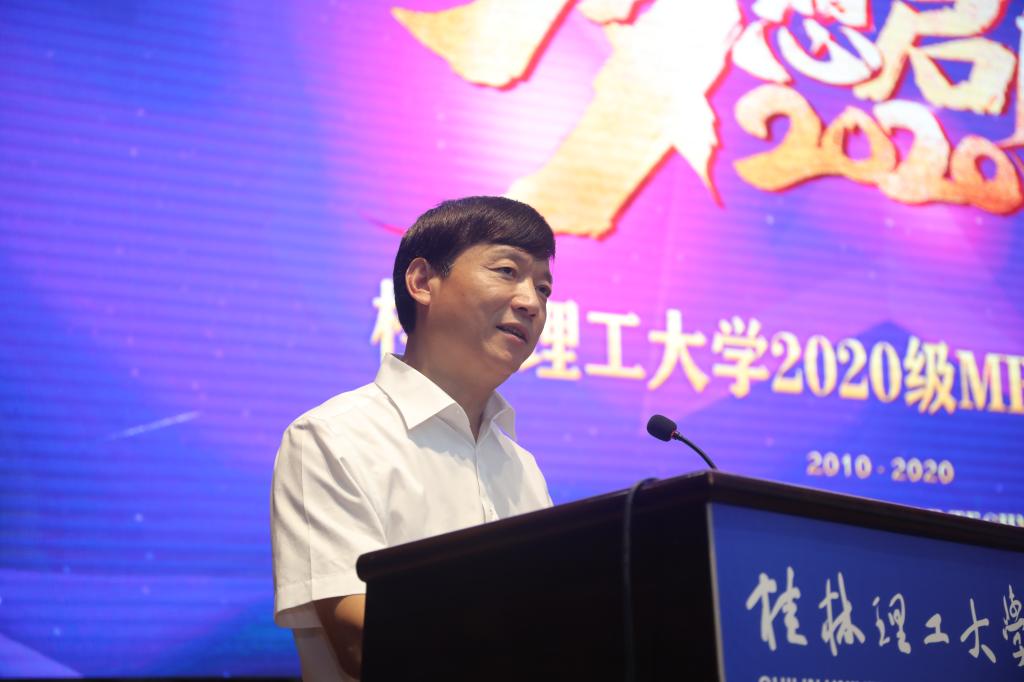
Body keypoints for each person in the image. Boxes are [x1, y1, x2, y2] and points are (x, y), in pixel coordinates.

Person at [270, 196, 557, 681]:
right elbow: (362, 640)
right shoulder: (331, 438)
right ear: (422, 282)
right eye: (507, 271)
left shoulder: (521, 466)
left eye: (544, 288)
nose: (531, 302)